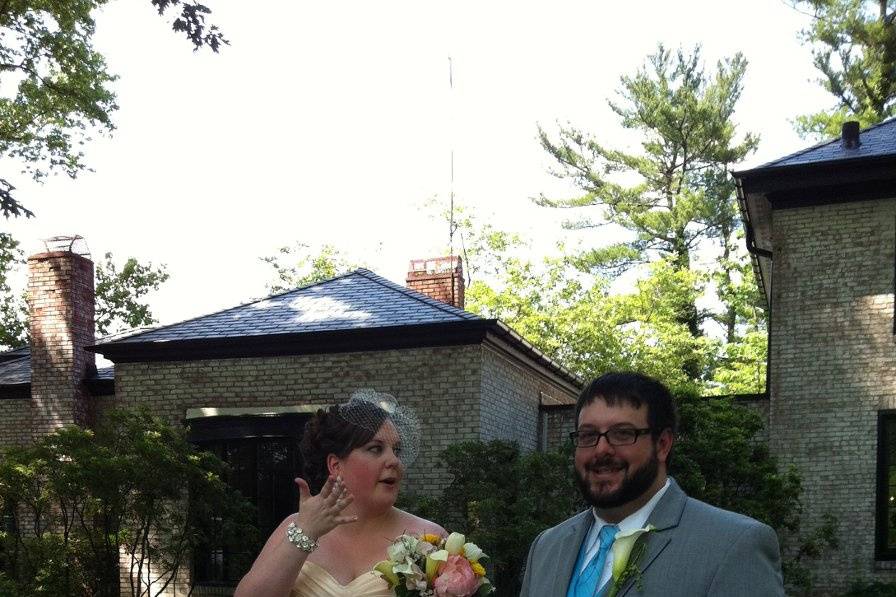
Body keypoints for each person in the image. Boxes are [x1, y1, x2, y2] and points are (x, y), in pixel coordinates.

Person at [520, 372, 785, 597]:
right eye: (588, 435)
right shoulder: (547, 546)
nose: (601, 449)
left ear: (663, 444)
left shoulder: (734, 545)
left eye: (622, 433)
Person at [235, 389, 445, 597]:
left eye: (396, 450)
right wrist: (305, 534)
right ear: (335, 465)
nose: (394, 461)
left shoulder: (430, 539)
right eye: (375, 449)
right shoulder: (294, 527)